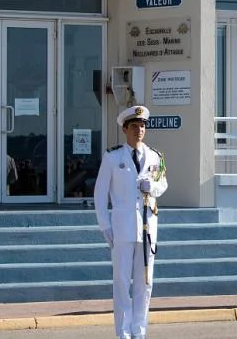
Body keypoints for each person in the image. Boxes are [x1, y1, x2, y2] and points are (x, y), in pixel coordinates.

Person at [94, 105, 168, 339]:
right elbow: (100, 193)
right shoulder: (113, 156)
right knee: (122, 282)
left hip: (147, 228)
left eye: (143, 126)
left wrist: (153, 187)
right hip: (122, 228)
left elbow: (163, 183)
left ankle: (139, 330)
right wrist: (105, 225)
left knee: (145, 283)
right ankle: (123, 332)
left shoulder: (155, 156)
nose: (140, 130)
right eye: (135, 126)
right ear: (125, 129)